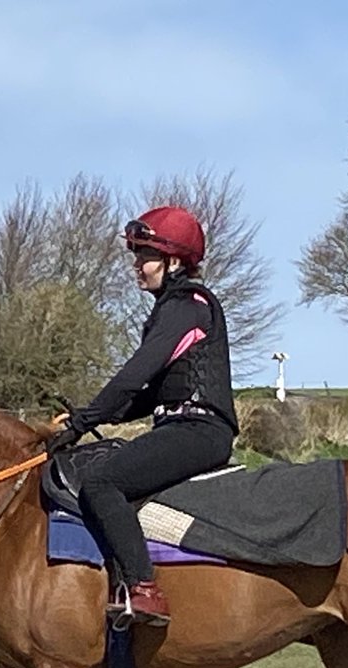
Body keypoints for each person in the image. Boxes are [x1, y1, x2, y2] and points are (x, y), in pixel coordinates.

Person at [45, 206, 238, 626]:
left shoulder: (188, 305)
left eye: (144, 257)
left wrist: (82, 424)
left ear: (173, 261)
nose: (137, 266)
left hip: (199, 430)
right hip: (180, 424)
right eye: (136, 256)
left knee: (102, 482)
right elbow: (149, 395)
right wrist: (90, 417)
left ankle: (144, 591)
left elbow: (133, 376)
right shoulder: (172, 309)